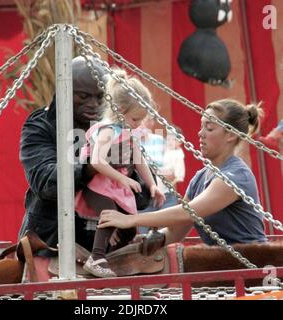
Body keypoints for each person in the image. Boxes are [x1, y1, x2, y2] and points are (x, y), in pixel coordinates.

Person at [18, 56, 150, 257]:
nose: (93, 104)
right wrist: (93, 165)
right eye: (83, 96)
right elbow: (46, 183)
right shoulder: (41, 125)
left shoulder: (119, 128)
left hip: (111, 251)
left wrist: (127, 170)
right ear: (64, 92)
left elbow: (144, 196)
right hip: (52, 245)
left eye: (100, 97)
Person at [98, 99, 268, 247]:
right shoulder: (200, 177)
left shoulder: (236, 176)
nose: (200, 133)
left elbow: (188, 212)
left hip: (250, 267)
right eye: (201, 127)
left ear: (230, 135)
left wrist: (131, 220)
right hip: (222, 263)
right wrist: (146, 241)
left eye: (209, 128)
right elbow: (175, 231)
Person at [75, 69, 165, 277]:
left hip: (114, 184)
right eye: (135, 119)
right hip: (97, 184)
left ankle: (116, 255)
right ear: (120, 110)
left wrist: (152, 184)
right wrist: (123, 178)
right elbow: (96, 161)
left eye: (141, 120)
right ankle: (96, 258)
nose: (139, 124)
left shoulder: (130, 130)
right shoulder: (107, 131)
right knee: (109, 213)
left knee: (128, 223)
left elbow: (138, 158)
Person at [158, 126, 186, 207]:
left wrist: (170, 186)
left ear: (180, 141)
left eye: (173, 139)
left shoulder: (178, 155)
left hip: (168, 192)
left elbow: (179, 177)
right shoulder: (166, 150)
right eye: (168, 139)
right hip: (159, 187)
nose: (170, 142)